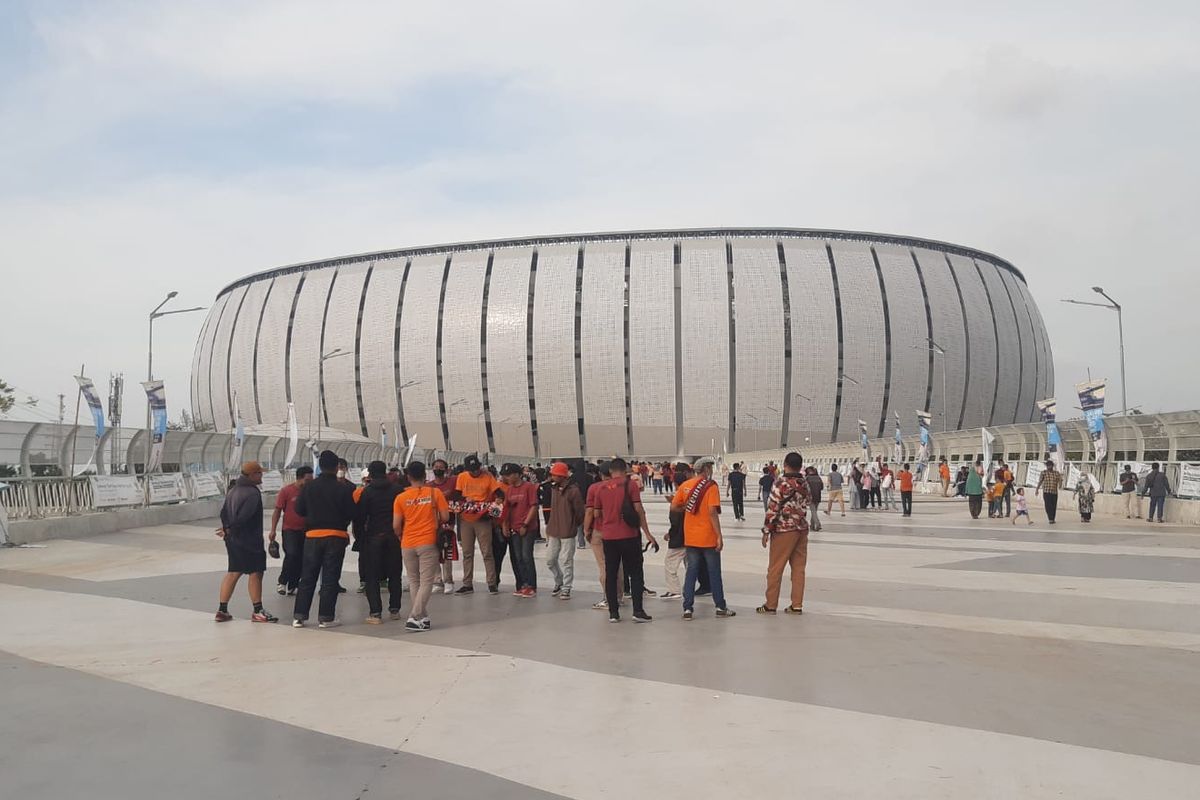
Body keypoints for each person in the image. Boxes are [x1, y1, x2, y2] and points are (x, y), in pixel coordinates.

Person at [585, 458, 658, 623]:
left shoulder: (600, 488)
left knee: (611, 574)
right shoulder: (630, 484)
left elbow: (596, 514)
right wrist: (647, 533)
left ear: (610, 471)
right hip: (629, 535)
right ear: (625, 469)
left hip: (609, 537)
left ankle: (613, 613)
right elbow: (639, 509)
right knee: (635, 573)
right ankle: (638, 611)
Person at [292, 450, 357, 628]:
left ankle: (299, 616)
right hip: (335, 536)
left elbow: (299, 510)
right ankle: (326, 617)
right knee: (330, 577)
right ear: (337, 468)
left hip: (312, 536)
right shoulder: (343, 489)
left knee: (307, 577)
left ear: (320, 467)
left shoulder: (308, 487)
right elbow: (352, 512)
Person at [672, 456, 735, 620]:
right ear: (706, 469)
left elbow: (674, 506)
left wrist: (686, 508)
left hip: (691, 537)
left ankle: (687, 609)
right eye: (710, 467)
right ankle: (720, 607)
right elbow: (712, 512)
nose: (711, 470)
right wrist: (719, 536)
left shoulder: (685, 486)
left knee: (691, 572)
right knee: (714, 572)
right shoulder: (710, 487)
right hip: (708, 537)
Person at [214, 461, 276, 622]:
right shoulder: (252, 493)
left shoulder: (233, 491)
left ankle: (222, 610)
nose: (262, 476)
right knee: (256, 572)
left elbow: (223, 513)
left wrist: (227, 529)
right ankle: (258, 610)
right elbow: (245, 516)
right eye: (259, 473)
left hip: (232, 539)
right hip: (249, 540)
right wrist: (230, 528)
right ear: (252, 475)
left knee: (234, 571)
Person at [393, 460, 450, 631]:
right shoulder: (435, 493)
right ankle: (414, 616)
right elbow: (446, 517)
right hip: (428, 541)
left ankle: (423, 617)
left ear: (408, 477)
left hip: (407, 543)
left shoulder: (401, 497)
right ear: (426, 476)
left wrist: (401, 536)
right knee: (427, 581)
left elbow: (396, 525)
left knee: (414, 581)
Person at [757, 451, 810, 615]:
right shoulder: (804, 483)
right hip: (801, 529)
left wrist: (766, 531)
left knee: (775, 568)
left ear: (785, 465)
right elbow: (808, 501)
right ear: (800, 466)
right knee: (799, 569)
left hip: (784, 530)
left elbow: (773, 506)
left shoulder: (781, 483)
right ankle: (797, 605)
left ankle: (771, 604)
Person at [354, 460, 404, 624]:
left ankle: (375, 612)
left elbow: (360, 518)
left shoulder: (367, 492)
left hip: (374, 537)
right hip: (394, 537)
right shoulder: (397, 490)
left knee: (372, 576)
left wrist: (361, 538)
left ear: (370, 474)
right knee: (395, 574)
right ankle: (395, 609)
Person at [452, 454, 505, 594]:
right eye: (472, 470)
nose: (475, 472)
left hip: (483, 519)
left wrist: (493, 511)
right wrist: (465, 499)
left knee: (487, 552)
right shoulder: (462, 477)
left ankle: (492, 583)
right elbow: (456, 495)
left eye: (476, 469)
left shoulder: (488, 477)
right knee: (467, 553)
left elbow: (500, 495)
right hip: (466, 518)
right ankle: (467, 583)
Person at [544, 461, 585, 600]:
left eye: (555, 475)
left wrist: (573, 524)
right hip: (554, 530)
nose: (552, 477)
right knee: (550, 559)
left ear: (562, 476)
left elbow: (580, 512)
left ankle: (566, 587)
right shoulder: (553, 489)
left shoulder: (573, 491)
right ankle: (559, 580)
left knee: (567, 560)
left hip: (567, 531)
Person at [271, 466, 313, 596]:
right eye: (307, 480)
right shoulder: (286, 491)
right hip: (289, 530)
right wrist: (273, 530)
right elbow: (277, 511)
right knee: (292, 554)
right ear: (299, 478)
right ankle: (282, 581)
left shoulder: (310, 492)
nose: (309, 483)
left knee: (302, 558)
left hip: (306, 530)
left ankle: (293, 584)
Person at [500, 462, 540, 597]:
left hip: (527, 528)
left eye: (509, 475)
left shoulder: (529, 487)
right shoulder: (509, 490)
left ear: (517, 474)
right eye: (505, 476)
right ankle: (523, 584)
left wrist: (525, 525)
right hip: (514, 528)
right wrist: (505, 525)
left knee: (526, 556)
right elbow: (507, 509)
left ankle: (531, 585)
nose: (507, 478)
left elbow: (533, 507)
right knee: (518, 557)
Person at [427, 458, 457, 594]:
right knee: (434, 552)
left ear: (446, 469)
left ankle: (448, 581)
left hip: (448, 521)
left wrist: (452, 523)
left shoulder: (452, 483)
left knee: (446, 552)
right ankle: (437, 580)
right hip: (432, 522)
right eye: (436, 466)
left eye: (441, 466)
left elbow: (457, 501)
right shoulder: (428, 486)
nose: (438, 468)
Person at [1035, 460, 1062, 524]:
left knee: (1054, 506)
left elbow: (1059, 480)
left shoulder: (1056, 473)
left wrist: (1060, 485)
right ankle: (1050, 518)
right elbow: (1040, 481)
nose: (1049, 467)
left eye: (1050, 466)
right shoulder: (1044, 473)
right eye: (1048, 466)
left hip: (1054, 492)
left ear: (1052, 466)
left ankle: (1052, 518)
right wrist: (1037, 489)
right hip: (1046, 491)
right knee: (1048, 505)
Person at [803, 466, 823, 531]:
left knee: (813, 512)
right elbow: (821, 487)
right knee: (814, 512)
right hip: (818, 496)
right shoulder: (818, 478)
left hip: (811, 497)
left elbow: (804, 488)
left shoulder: (807, 478)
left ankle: (818, 524)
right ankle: (812, 525)